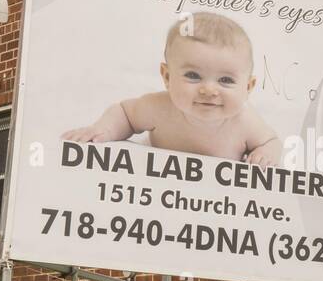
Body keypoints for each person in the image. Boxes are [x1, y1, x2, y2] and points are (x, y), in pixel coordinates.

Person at [62, 11, 281, 167]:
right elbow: (125, 113)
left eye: (225, 80)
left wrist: (265, 153)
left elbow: (271, 141)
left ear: (248, 87)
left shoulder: (244, 122)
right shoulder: (159, 108)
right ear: (167, 76)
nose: (209, 90)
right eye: (193, 76)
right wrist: (104, 129)